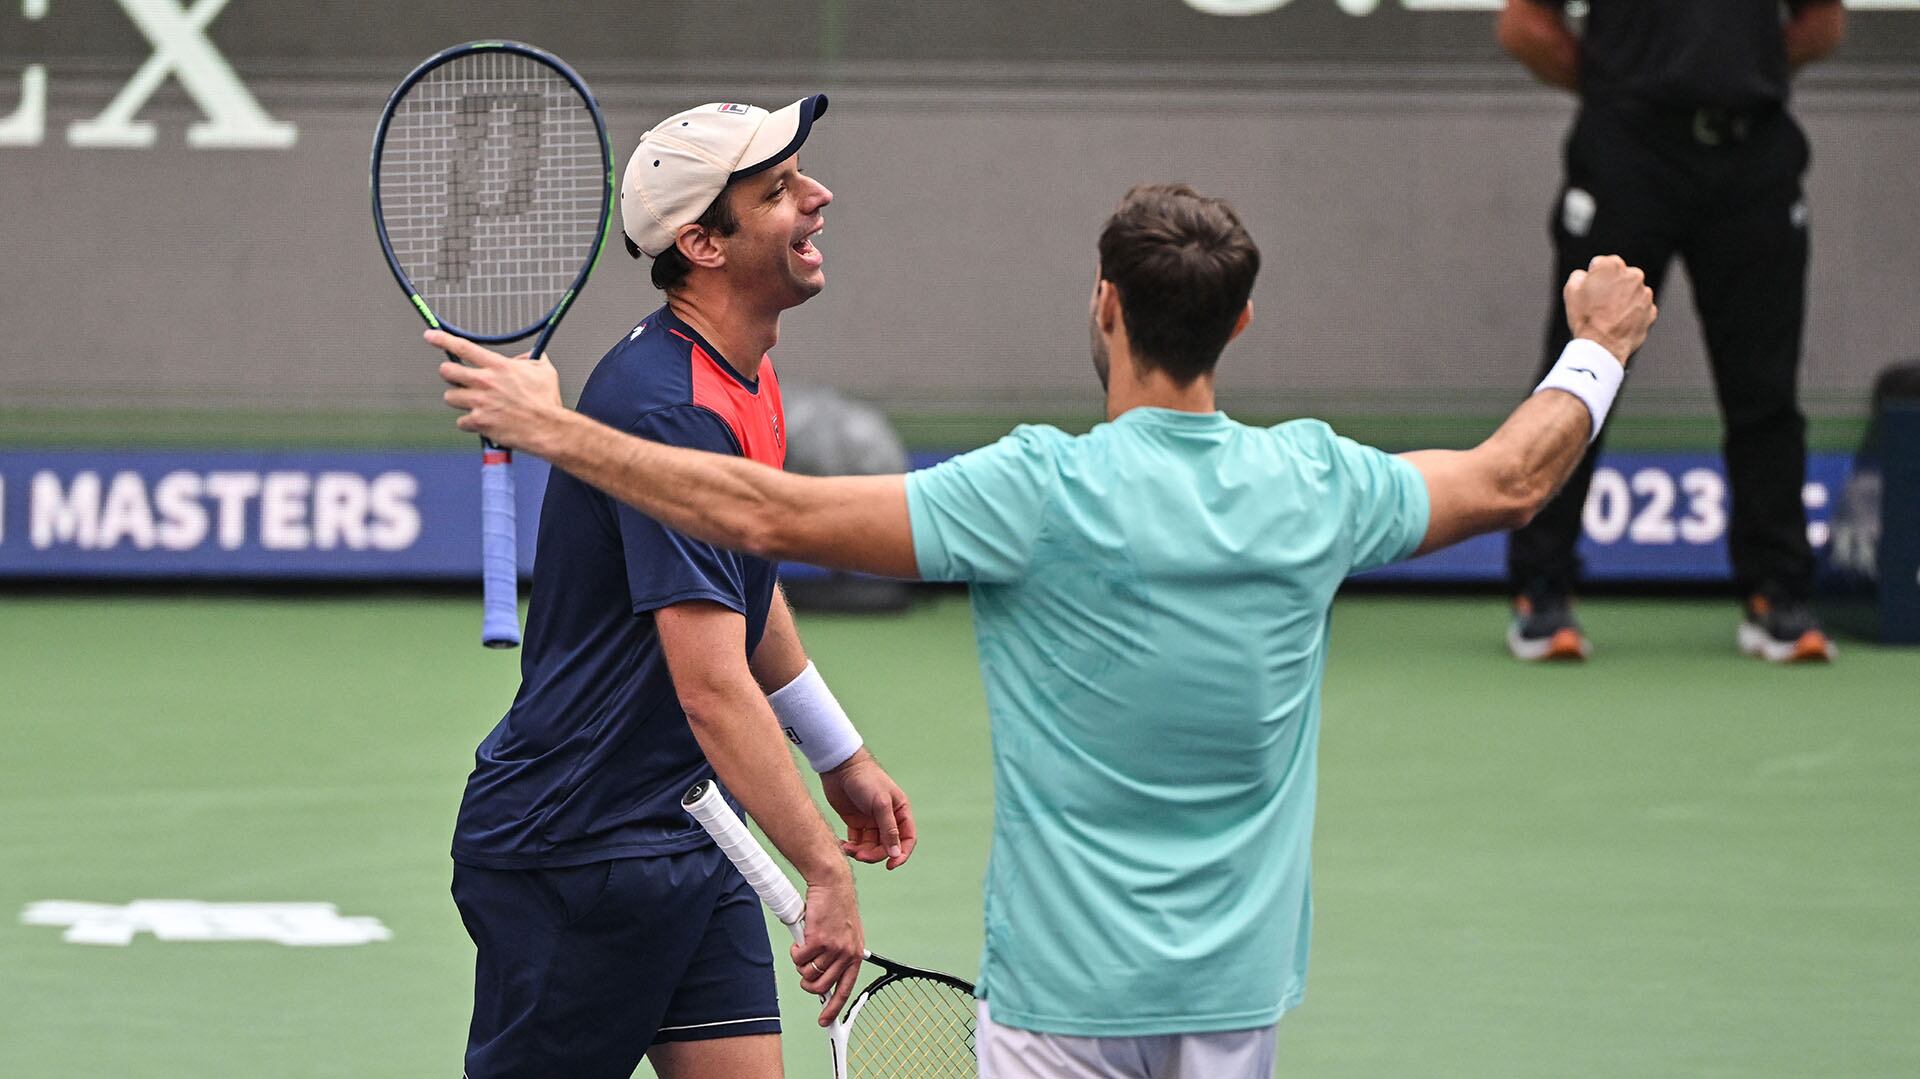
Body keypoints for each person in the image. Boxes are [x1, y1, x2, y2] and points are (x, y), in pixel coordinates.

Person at [434, 184, 1656, 1077]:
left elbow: (761, 514)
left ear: (1105, 306)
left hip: (1060, 1007)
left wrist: (556, 434)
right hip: (1235, 1006)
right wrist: (1596, 347)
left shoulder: (1027, 494)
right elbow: (1512, 478)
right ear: (1238, 325)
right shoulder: (1320, 484)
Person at [446, 94, 918, 1079]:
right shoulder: (671, 408)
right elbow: (709, 682)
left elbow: (746, 587)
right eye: (782, 189)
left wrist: (838, 748)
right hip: (581, 851)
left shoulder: (742, 370)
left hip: (690, 827)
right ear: (704, 242)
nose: (819, 198)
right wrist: (822, 865)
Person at [1496, 0, 1847, 663]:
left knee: (1765, 387)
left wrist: (1743, 74)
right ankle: (1541, 589)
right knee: (1580, 368)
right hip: (1628, 153)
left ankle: (1778, 593)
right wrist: (1624, 89)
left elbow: (1823, 22)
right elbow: (1523, 24)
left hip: (1755, 158)